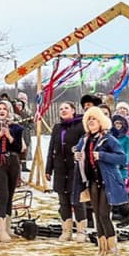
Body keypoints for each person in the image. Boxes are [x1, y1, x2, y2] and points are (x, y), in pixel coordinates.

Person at [74, 106, 128, 256]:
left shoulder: (108, 139)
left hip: (107, 182)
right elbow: (79, 156)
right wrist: (77, 156)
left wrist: (103, 155)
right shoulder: (84, 140)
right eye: (88, 119)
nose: (91, 121)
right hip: (92, 182)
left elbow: (122, 158)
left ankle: (112, 250)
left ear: (101, 122)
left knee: (105, 215)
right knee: (97, 216)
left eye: (94, 118)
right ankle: (101, 248)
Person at [46, 102, 88, 241]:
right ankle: (66, 230)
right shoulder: (57, 128)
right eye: (61, 109)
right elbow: (51, 149)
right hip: (59, 169)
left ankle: (81, 231)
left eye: (66, 108)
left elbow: (84, 146)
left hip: (74, 168)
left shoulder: (80, 126)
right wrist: (48, 169)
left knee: (76, 200)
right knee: (63, 201)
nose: (63, 110)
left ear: (73, 110)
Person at [0, 101, 23, 241]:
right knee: (3, 194)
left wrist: (9, 136)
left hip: (13, 161)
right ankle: (0, 229)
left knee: (11, 194)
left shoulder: (17, 128)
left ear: (9, 111)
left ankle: (8, 227)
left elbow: (19, 148)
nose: (2, 111)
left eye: (4, 109)